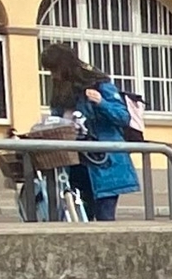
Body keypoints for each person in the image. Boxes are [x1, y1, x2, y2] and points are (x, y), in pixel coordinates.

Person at [39, 41, 140, 221]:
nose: (53, 76)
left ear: (65, 66)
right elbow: (57, 119)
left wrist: (102, 103)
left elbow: (122, 117)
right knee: (79, 219)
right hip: (76, 164)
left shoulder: (99, 84)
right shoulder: (61, 90)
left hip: (104, 163)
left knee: (104, 218)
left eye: (54, 70)